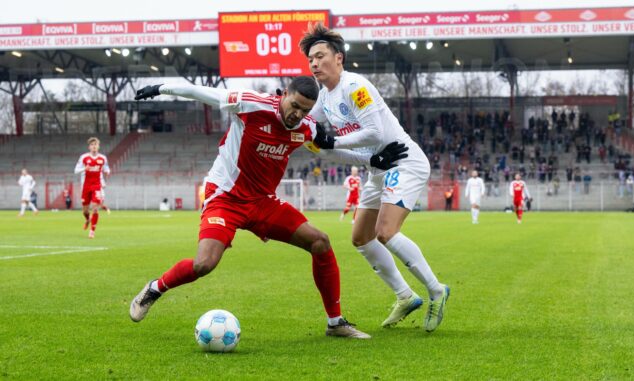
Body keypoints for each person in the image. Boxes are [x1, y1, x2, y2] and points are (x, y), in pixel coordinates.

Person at [130, 76, 405, 339]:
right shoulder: (252, 105)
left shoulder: (306, 127)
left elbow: (326, 150)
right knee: (204, 264)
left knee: (320, 241)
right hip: (226, 198)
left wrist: (374, 161)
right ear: (284, 94)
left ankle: (335, 323)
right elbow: (201, 92)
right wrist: (161, 88)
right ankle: (155, 288)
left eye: (305, 110)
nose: (297, 113)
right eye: (294, 105)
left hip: (263, 203)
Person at [301, 23, 450, 332]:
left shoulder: (356, 87)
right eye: (310, 59)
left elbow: (375, 132)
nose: (314, 64)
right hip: (379, 167)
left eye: (320, 56)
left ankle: (436, 289)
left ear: (338, 58)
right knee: (360, 238)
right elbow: (313, 134)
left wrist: (332, 142)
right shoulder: (324, 98)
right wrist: (310, 135)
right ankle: (405, 296)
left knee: (385, 231)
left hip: (403, 162)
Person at [74, 137, 110, 238]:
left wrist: (107, 172)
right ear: (89, 147)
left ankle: (92, 231)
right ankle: (87, 219)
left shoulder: (103, 158)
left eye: (96, 145)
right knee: (85, 210)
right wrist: (84, 169)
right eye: (92, 145)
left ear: (98, 146)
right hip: (86, 185)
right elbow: (76, 170)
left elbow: (106, 167)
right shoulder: (84, 157)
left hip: (97, 185)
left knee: (95, 208)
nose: (94, 146)